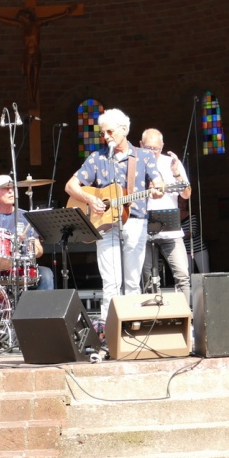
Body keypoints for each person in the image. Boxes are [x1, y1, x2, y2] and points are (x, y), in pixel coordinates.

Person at [64, 108, 164, 323]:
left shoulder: (144, 156)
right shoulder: (97, 158)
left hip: (135, 222)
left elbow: (158, 183)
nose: (106, 137)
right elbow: (70, 186)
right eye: (103, 133)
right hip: (105, 225)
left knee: (132, 281)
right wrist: (91, 199)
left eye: (110, 132)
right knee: (111, 282)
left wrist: (158, 189)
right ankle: (109, 328)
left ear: (124, 130)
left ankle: (133, 324)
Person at [140, 129, 192, 306]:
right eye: (148, 148)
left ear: (162, 146)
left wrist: (176, 172)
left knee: (182, 274)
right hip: (144, 229)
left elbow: (186, 194)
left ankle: (184, 314)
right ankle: (152, 316)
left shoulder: (171, 163)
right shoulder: (135, 164)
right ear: (141, 145)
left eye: (156, 148)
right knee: (147, 278)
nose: (153, 152)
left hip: (171, 230)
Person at [0, 175, 53, 290]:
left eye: (12, 188)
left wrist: (34, 250)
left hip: (23, 267)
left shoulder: (26, 216)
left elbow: (39, 249)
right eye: (5, 188)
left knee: (46, 274)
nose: (10, 191)